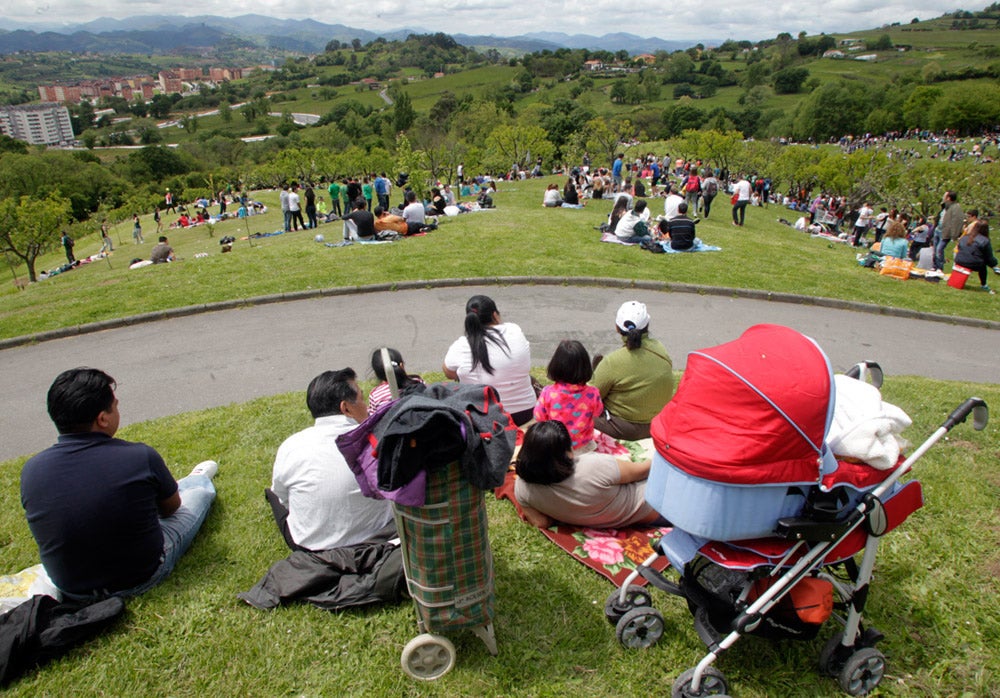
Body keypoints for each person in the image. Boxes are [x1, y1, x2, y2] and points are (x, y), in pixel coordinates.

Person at [20, 367, 217, 600]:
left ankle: (163, 488)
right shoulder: (139, 456)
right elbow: (172, 509)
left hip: (72, 590)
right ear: (102, 418)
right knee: (199, 491)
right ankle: (192, 480)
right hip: (140, 575)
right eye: (115, 405)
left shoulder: (32, 470)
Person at [270, 368, 395, 553]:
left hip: (310, 550)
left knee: (271, 495)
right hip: (377, 541)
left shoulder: (291, 446)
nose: (367, 407)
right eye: (362, 399)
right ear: (346, 408)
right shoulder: (377, 441)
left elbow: (283, 498)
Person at [513, 421, 665, 529]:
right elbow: (644, 471)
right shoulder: (594, 465)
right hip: (658, 506)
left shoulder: (522, 487)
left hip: (647, 511)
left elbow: (541, 523)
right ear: (567, 452)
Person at [443, 294, 535, 427]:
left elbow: (448, 371)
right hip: (525, 413)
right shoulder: (514, 330)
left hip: (484, 420)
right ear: (495, 315)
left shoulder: (462, 345)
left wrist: (465, 374)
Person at [592, 301, 674, 441]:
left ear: (617, 327)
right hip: (656, 424)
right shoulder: (661, 350)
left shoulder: (613, 361)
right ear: (647, 325)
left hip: (623, 429)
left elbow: (591, 396)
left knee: (574, 410)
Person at [533, 340, 603, 454]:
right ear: (585, 367)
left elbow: (539, 416)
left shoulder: (548, 392)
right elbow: (598, 412)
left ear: (555, 365)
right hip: (583, 446)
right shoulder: (593, 393)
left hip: (556, 446)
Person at [368, 348, 425, 415]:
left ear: (376, 373)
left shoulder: (375, 395)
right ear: (401, 366)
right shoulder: (417, 381)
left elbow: (373, 419)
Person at [954, 219, 999, 292]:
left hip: (959, 260)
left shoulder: (965, 237)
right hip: (973, 263)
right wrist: (994, 265)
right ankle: (984, 284)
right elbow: (989, 257)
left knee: (981, 258)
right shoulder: (985, 240)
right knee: (983, 264)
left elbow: (960, 248)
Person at [936, 190, 964, 271]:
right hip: (938, 230)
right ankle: (935, 266)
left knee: (939, 250)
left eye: (944, 196)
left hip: (945, 233)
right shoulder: (945, 206)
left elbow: (957, 222)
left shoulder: (956, 208)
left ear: (948, 198)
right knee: (935, 250)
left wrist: (954, 235)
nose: (943, 197)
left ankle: (939, 268)